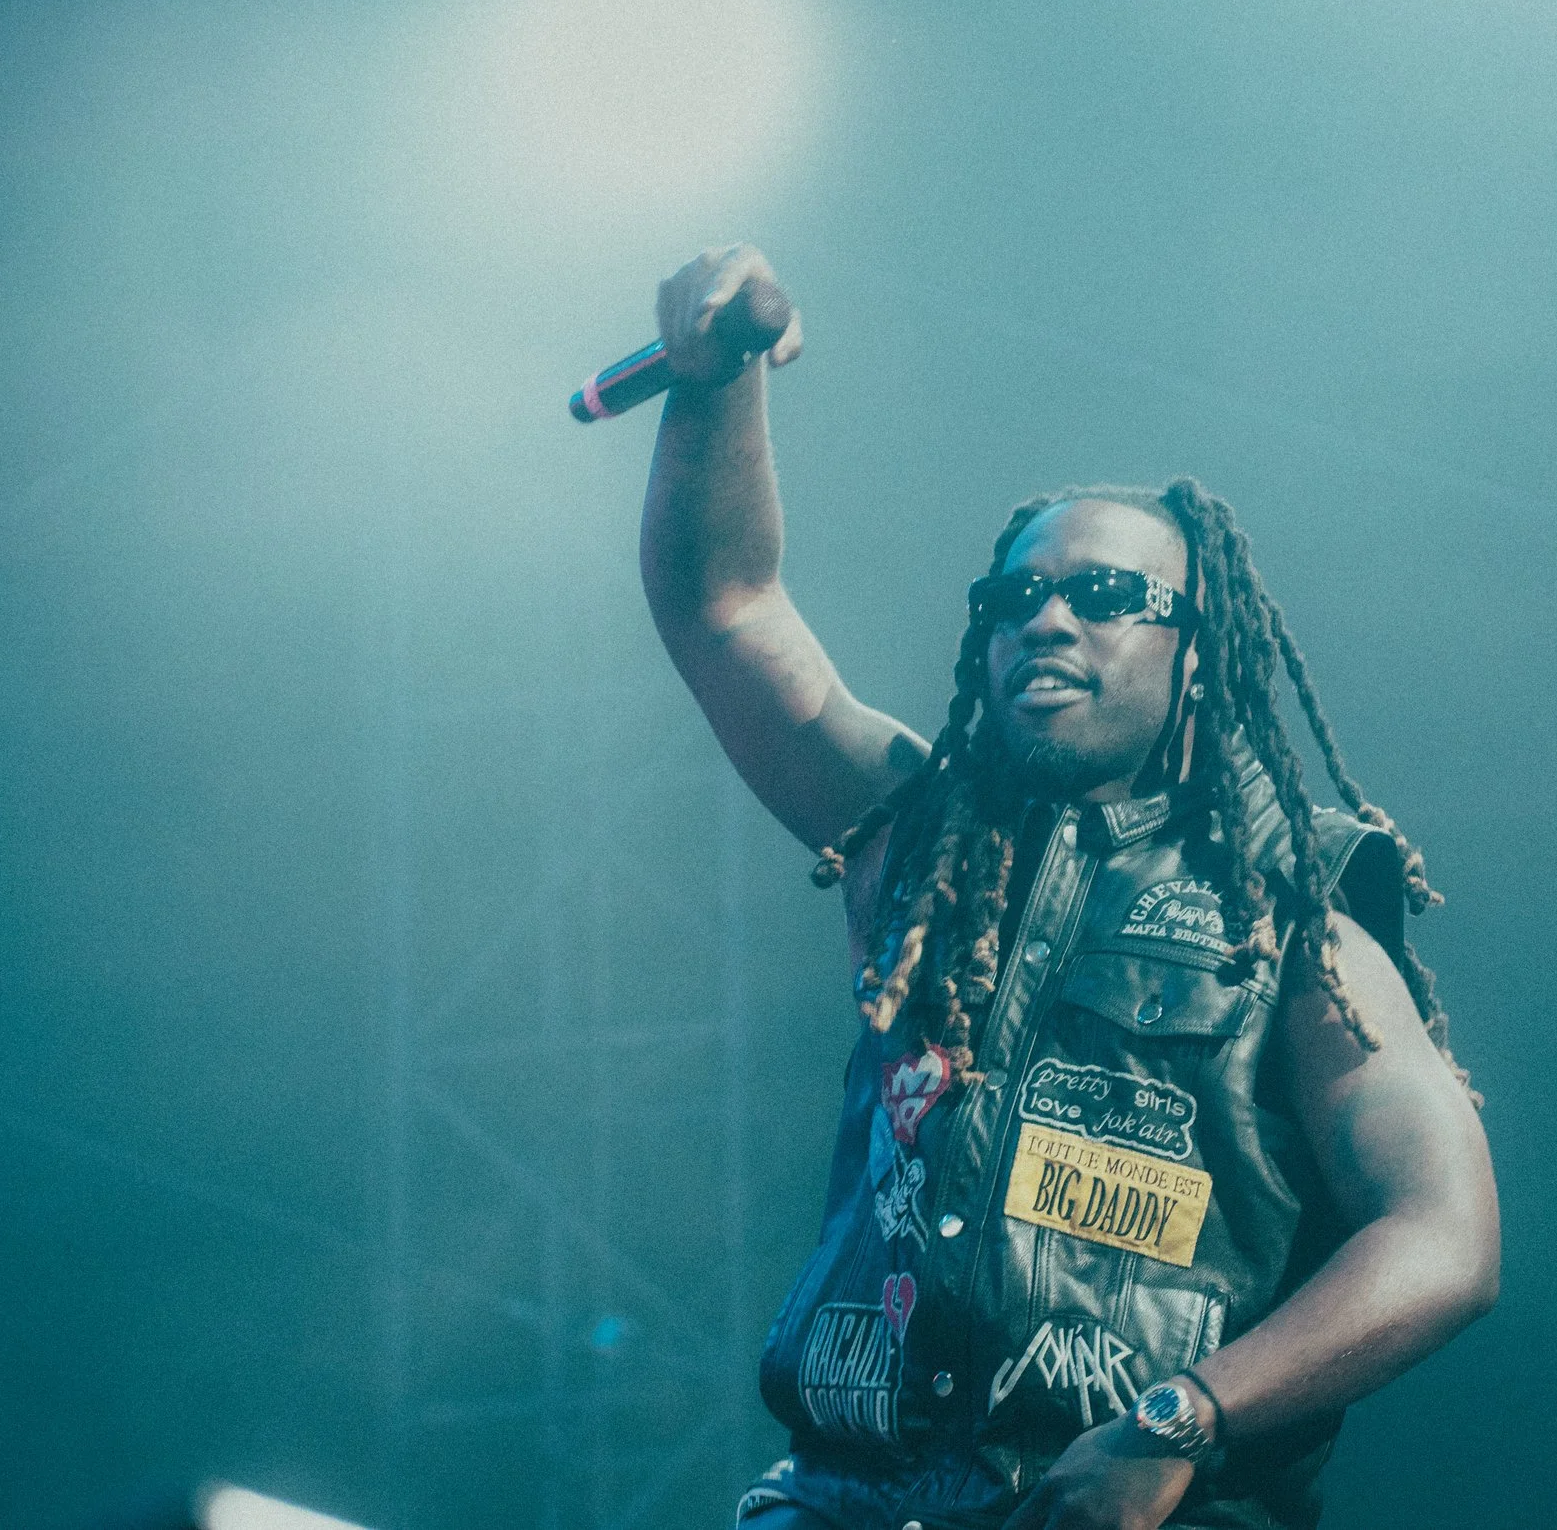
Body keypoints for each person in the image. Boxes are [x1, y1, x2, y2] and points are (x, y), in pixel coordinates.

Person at [638, 245, 1500, 1530]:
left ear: (1194, 653)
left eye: (1103, 594)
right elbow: (726, 605)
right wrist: (717, 382)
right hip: (842, 1500)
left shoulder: (1292, 921)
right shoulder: (916, 839)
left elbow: (1442, 1234)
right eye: (1015, 595)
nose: (1047, 619)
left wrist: (1183, 1419)